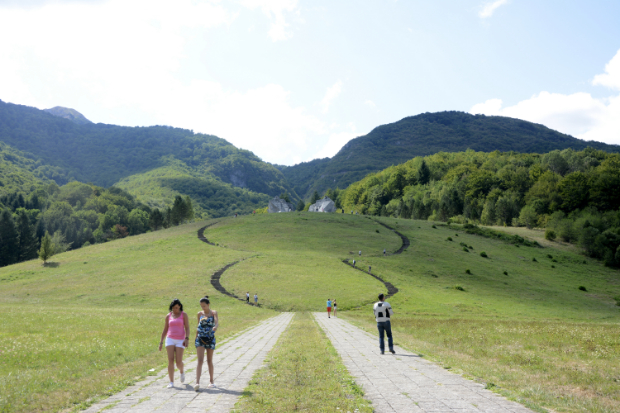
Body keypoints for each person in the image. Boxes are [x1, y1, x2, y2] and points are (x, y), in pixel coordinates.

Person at [159, 298, 190, 388]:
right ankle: (171, 382)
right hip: (170, 339)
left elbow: (187, 327)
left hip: (180, 339)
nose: (175, 310)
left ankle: (181, 371)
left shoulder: (184, 315)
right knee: (170, 360)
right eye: (173, 308)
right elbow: (165, 329)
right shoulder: (168, 316)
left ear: (179, 306)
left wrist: (187, 338)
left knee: (178, 361)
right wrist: (161, 342)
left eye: (176, 308)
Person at [194, 295, 218, 391]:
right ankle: (197, 382)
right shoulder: (199, 314)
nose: (202, 308)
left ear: (208, 304)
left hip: (210, 338)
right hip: (200, 339)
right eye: (201, 306)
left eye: (204, 306)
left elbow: (216, 322)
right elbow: (198, 326)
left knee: (209, 361)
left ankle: (211, 381)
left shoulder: (213, 313)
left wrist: (215, 326)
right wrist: (195, 338)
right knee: (200, 360)